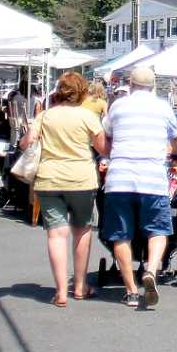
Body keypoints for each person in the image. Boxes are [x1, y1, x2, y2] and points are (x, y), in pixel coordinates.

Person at [101, 65, 177, 309]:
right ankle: (150, 269)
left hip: (120, 179)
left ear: (131, 83)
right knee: (157, 230)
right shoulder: (162, 107)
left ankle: (130, 291)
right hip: (152, 178)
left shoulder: (118, 106)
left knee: (121, 234)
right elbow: (176, 138)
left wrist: (113, 152)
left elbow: (106, 134)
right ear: (153, 85)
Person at [22, 71, 108, 307]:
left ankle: (60, 291)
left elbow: (26, 143)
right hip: (81, 179)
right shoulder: (88, 116)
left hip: (49, 178)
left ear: (59, 91)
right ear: (82, 92)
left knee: (56, 235)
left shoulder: (45, 116)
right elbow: (103, 148)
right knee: (81, 232)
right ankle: (79, 286)